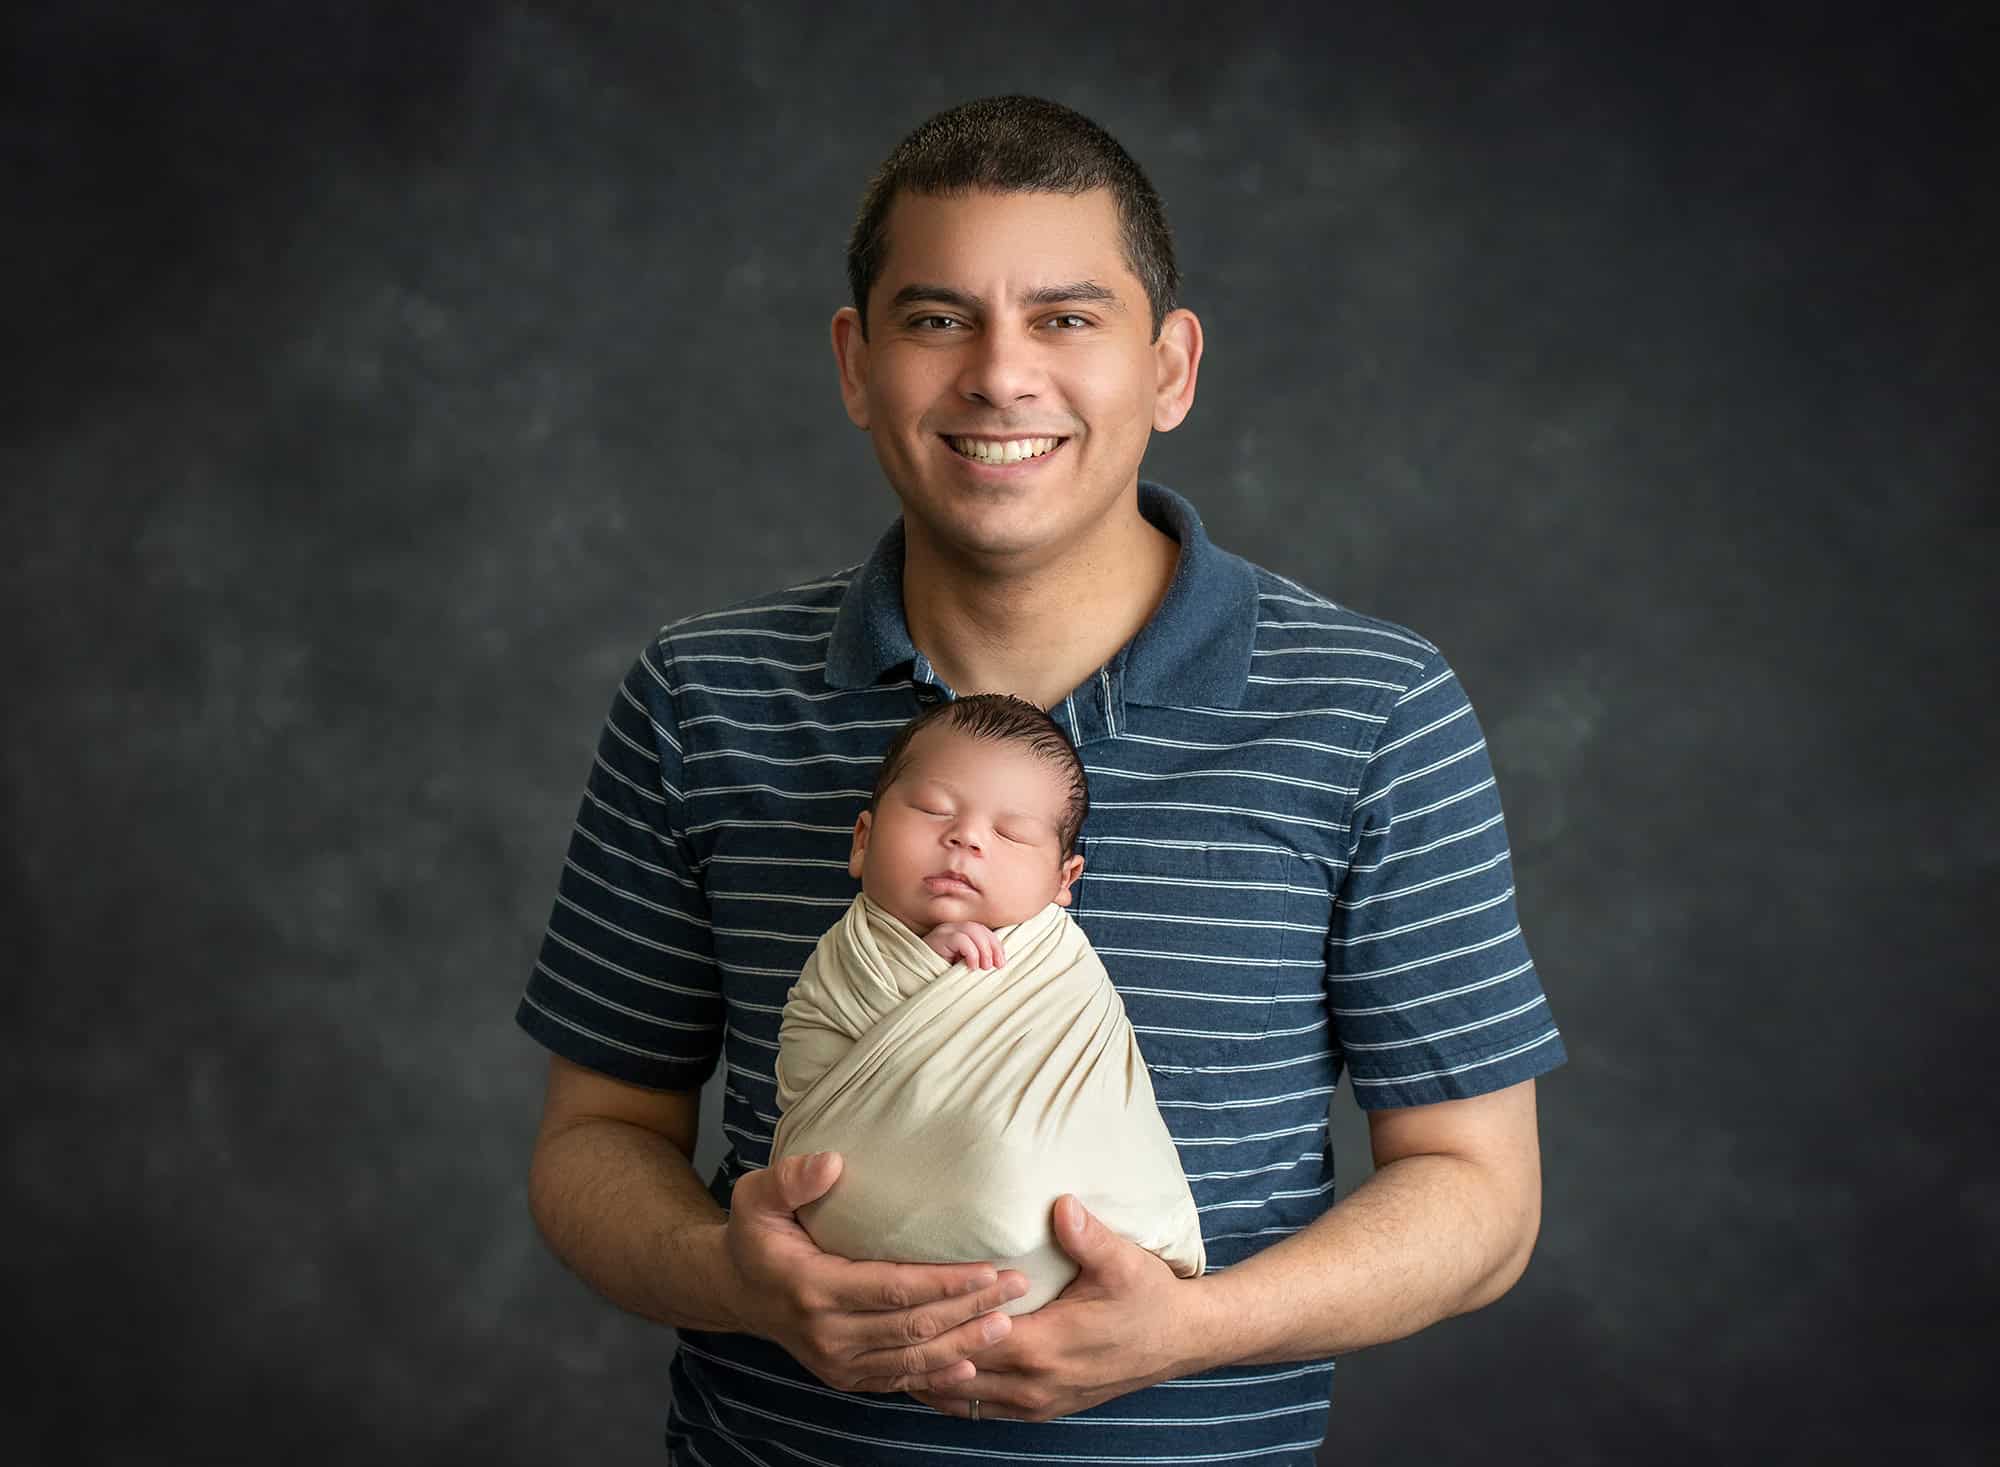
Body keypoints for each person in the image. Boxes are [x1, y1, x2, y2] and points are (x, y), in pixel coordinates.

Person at [518, 94, 1565, 1464]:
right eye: (937, 318)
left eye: (1067, 318)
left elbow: (1480, 1191)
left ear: (1170, 366)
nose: (1000, 376)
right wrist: (735, 1278)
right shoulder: (700, 690)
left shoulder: (1374, 707)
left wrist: (1200, 1324)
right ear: (856, 362)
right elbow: (593, 1137)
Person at [769, 694, 1206, 1316]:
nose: (966, 838)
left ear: (1063, 882)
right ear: (862, 840)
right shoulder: (852, 956)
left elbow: (1102, 1110)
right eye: (930, 810)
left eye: (1011, 833)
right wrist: (917, 963)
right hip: (823, 1286)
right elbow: (808, 1065)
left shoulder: (1059, 971)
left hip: (1093, 1296)